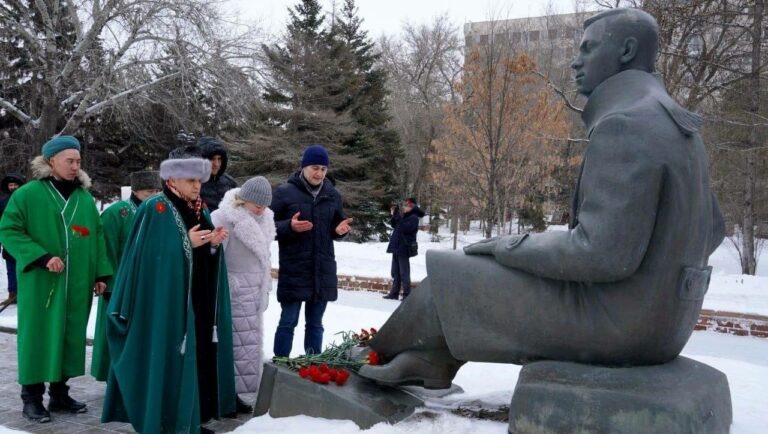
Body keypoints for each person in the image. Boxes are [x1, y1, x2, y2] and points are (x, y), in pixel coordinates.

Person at [359, 8, 725, 389]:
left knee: (451, 277)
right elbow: (713, 230)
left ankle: (371, 354)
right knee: (480, 275)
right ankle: (430, 359)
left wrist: (509, 246)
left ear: (627, 51)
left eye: (588, 49)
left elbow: (600, 253)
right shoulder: (677, 125)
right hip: (665, 325)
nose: (575, 61)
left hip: (621, 326)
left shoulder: (628, 123)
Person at [101, 147, 236, 434]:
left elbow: (201, 253)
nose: (197, 186)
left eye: (199, 181)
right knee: (170, 359)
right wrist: (187, 244)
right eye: (191, 181)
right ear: (172, 180)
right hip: (167, 302)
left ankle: (188, 420)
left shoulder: (198, 207)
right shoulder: (157, 208)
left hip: (195, 298)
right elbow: (147, 259)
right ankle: (166, 420)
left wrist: (212, 244)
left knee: (194, 359)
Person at [0, 136, 112, 423]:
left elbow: (96, 236)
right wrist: (40, 256)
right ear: (51, 161)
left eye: (78, 161)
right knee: (39, 337)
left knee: (70, 334)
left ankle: (60, 394)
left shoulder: (84, 198)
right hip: (42, 283)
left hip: (77, 283)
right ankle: (32, 399)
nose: (76, 167)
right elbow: (9, 229)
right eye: (69, 161)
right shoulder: (27, 194)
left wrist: (101, 273)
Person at [271, 144, 352, 357]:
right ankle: (279, 365)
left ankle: (312, 367)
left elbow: (336, 226)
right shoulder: (284, 192)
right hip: (295, 269)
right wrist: (289, 226)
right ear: (304, 167)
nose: (319, 173)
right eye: (315, 167)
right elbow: (266, 225)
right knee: (288, 322)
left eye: (323, 169)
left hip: (321, 269)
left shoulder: (332, 194)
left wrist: (340, 230)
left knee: (315, 324)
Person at [211, 176, 275, 414]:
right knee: (229, 346)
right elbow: (213, 255)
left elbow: (264, 256)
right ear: (243, 199)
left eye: (265, 205)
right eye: (257, 204)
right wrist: (227, 285)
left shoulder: (266, 219)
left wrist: (265, 285)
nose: (261, 209)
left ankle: (234, 394)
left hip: (253, 293)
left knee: (246, 348)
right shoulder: (222, 218)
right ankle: (222, 394)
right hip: (232, 292)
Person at [91, 171, 161, 382]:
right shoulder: (117, 213)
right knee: (115, 332)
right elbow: (106, 248)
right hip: (119, 283)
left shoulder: (158, 211)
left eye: (158, 191)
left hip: (147, 283)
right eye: (150, 191)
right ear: (136, 190)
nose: (155, 195)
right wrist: (109, 281)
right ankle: (111, 375)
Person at [383, 198, 425, 300]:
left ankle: (407, 295)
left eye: (407, 206)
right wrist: (394, 215)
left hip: (404, 248)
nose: (404, 207)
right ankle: (394, 293)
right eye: (404, 205)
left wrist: (398, 217)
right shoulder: (404, 216)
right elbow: (394, 225)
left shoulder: (414, 218)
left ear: (412, 207)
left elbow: (405, 228)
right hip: (397, 247)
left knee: (404, 273)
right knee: (395, 272)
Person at [0, 173, 26, 307]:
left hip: (25, 242)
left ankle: (25, 294)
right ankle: (12, 294)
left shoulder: (28, 201)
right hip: (8, 243)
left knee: (24, 268)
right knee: (11, 269)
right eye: (11, 185)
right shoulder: (3, 202)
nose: (13, 187)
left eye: (16, 185)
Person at [197, 136, 238, 211]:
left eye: (219, 159)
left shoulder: (229, 182)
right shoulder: (194, 185)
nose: (217, 164)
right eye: (212, 159)